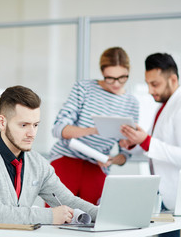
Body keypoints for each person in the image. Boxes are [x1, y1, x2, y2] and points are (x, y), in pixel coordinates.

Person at [0, 85, 98, 225]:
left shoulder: (37, 163)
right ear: (2, 123)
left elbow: (69, 201)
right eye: (24, 125)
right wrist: (48, 216)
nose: (32, 133)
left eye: (35, 125)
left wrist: (103, 215)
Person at [120, 53, 181, 237]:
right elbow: (157, 148)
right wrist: (133, 143)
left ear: (172, 79)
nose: (150, 90)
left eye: (155, 84)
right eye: (148, 83)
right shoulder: (165, 105)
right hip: (166, 197)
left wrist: (145, 140)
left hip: (180, 199)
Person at [48, 47, 139, 205]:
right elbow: (58, 129)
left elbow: (125, 154)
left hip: (97, 167)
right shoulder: (84, 88)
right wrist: (96, 130)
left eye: (122, 78)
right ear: (102, 72)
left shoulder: (132, 103)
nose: (116, 83)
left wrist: (113, 160)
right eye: (110, 78)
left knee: (91, 221)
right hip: (66, 159)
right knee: (57, 217)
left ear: (128, 72)